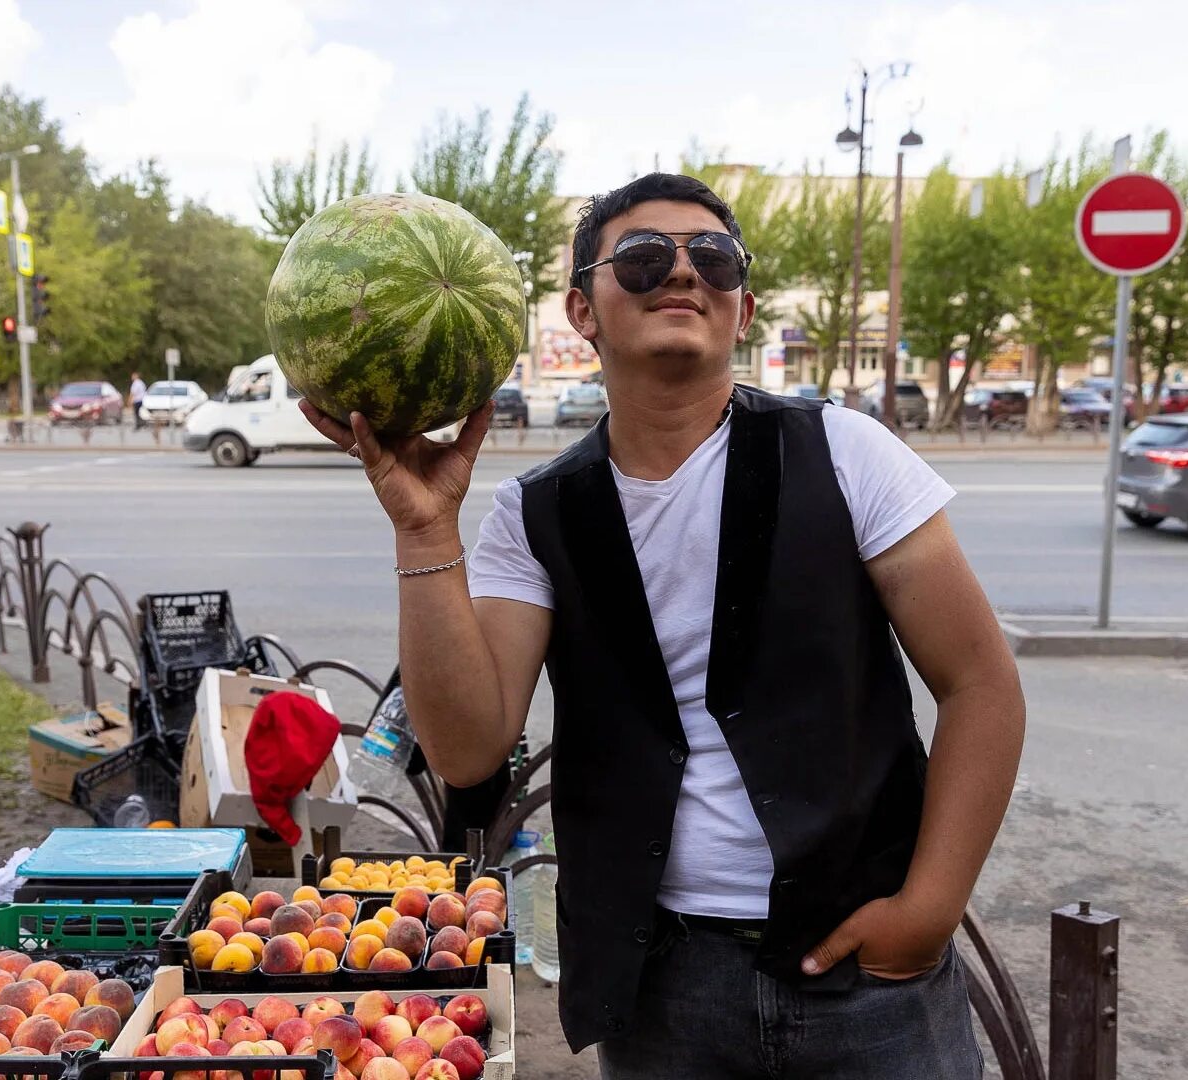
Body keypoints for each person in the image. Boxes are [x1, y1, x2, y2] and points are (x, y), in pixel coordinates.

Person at [303, 173, 1024, 1078]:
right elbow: (466, 749)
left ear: (744, 307)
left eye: (712, 258)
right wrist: (423, 528)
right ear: (583, 310)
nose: (683, 272)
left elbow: (981, 685)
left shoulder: (847, 452)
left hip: (866, 977)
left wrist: (929, 908)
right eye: (643, 258)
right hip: (659, 984)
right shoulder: (535, 513)